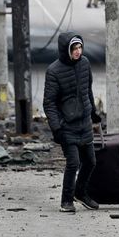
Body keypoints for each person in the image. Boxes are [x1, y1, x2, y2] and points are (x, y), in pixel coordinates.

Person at [43, 32, 102, 213]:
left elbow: (87, 90)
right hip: (67, 125)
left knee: (91, 161)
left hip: (84, 123)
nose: (78, 51)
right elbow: (49, 103)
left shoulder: (84, 64)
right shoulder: (53, 71)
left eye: (79, 47)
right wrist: (56, 127)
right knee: (73, 163)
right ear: (65, 50)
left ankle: (80, 192)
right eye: (74, 48)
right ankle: (66, 201)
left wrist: (93, 113)